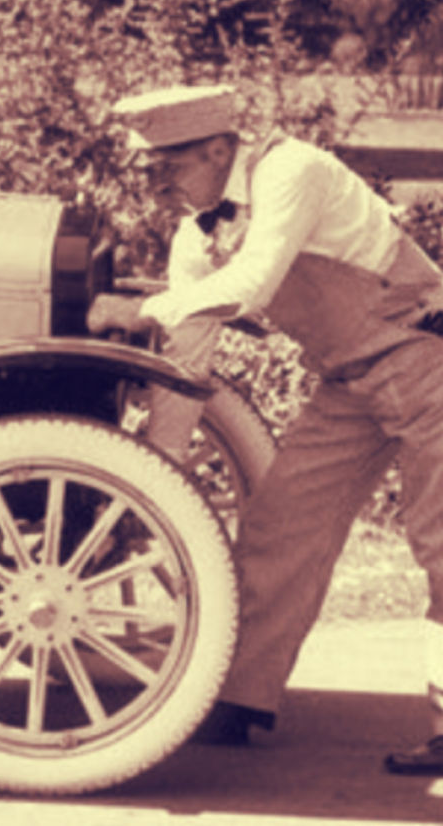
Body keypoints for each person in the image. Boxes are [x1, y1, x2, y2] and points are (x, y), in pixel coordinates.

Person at [87, 83, 443, 774]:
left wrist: (141, 310)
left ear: (221, 149)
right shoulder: (196, 236)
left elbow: (252, 280)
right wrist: (152, 482)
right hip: (350, 381)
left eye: (171, 167)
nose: (159, 186)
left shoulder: (291, 169)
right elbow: (187, 362)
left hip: (427, 362)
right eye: (149, 171)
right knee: (279, 526)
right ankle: (236, 699)